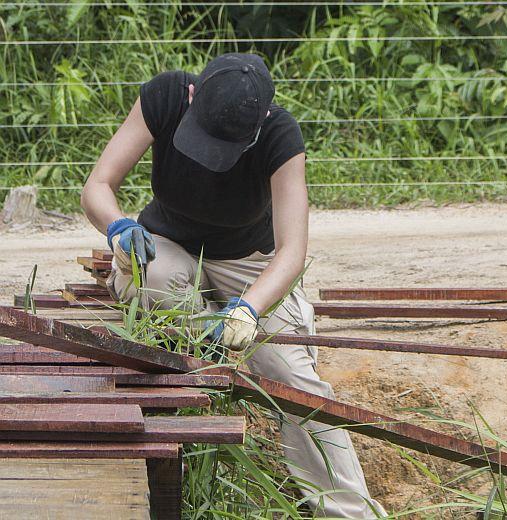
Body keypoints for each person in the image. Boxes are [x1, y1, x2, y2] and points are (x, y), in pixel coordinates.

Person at [80, 52, 386, 518]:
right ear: (191, 94)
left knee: (289, 374)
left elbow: (291, 252)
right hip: (165, 245)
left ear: (261, 120)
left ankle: (346, 510)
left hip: (249, 262)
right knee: (156, 280)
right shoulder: (164, 95)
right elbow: (98, 184)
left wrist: (249, 308)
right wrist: (118, 227)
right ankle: (184, 323)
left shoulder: (281, 135)